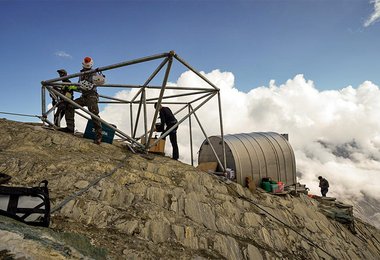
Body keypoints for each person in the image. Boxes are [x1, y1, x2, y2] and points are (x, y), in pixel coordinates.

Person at [62, 57, 103, 144]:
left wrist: (100, 78)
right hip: (84, 96)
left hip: (92, 96)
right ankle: (70, 128)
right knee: (70, 105)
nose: (86, 67)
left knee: (94, 114)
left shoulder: (94, 73)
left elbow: (99, 82)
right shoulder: (81, 74)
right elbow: (79, 86)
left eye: (87, 66)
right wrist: (71, 87)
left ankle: (99, 136)